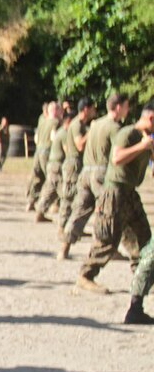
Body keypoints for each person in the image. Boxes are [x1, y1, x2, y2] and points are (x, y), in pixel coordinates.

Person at [74, 103, 154, 300]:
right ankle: (85, 275)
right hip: (114, 192)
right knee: (108, 239)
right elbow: (117, 158)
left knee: (144, 237)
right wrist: (142, 146)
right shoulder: (127, 133)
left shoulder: (146, 139)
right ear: (151, 118)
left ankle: (141, 279)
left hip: (129, 193)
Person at [60, 93, 129, 259]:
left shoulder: (95, 124)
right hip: (101, 174)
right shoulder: (114, 127)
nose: (128, 110)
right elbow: (119, 152)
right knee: (107, 212)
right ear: (118, 107)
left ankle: (64, 248)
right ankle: (107, 250)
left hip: (86, 173)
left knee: (79, 211)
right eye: (126, 106)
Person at [57, 97, 95, 239]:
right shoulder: (77, 124)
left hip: (77, 163)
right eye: (92, 108)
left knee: (76, 198)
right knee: (69, 196)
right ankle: (62, 228)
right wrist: (92, 132)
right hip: (73, 164)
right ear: (86, 109)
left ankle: (71, 228)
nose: (94, 111)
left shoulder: (80, 124)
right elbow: (80, 145)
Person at [35, 108, 72, 222]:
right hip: (58, 165)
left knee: (49, 189)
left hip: (51, 164)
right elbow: (68, 151)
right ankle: (65, 221)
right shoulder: (64, 134)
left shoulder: (60, 132)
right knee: (67, 193)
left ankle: (39, 212)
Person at [27, 101, 59, 211]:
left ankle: (31, 201)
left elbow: (36, 138)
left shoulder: (42, 122)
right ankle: (54, 203)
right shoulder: (55, 122)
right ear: (55, 111)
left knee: (37, 177)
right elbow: (53, 137)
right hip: (47, 152)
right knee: (52, 178)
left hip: (38, 151)